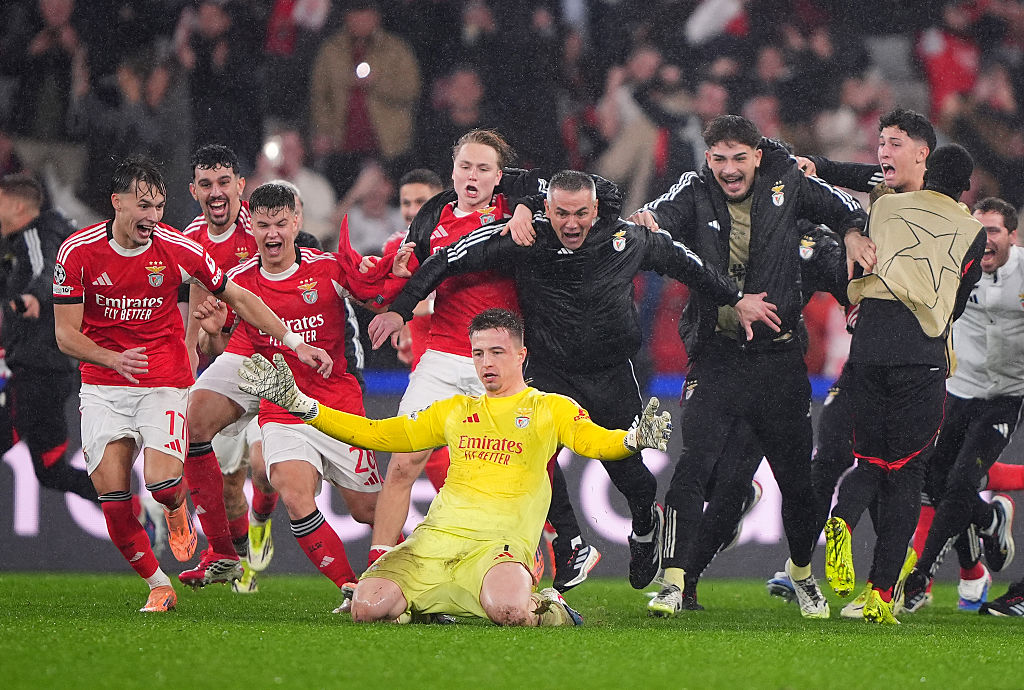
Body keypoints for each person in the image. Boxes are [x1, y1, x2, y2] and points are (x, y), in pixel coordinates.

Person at [369, 170, 780, 594]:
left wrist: (735, 299)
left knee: (630, 474)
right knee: (535, 456)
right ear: (547, 209)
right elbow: (448, 258)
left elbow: (686, 264)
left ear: (595, 209)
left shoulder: (626, 239)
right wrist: (400, 309)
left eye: (581, 213)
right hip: (548, 370)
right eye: (562, 213)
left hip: (610, 373)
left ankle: (644, 526)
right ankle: (569, 541)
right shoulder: (525, 236)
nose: (571, 223)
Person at [237, 308, 673, 625]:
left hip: (499, 546)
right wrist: (302, 405)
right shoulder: (454, 409)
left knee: (508, 611)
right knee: (365, 608)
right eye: (479, 353)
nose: (486, 363)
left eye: (497, 352)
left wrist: (631, 440)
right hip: (435, 543)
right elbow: (377, 434)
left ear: (522, 354)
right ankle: (427, 605)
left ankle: (550, 606)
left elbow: (592, 440)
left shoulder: (549, 408)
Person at [52, 156, 332, 612]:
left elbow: (239, 296)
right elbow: (65, 334)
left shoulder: (178, 247)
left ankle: (180, 512)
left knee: (163, 482)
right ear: (116, 202)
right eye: (143, 206)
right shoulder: (77, 251)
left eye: (159, 207)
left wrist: (293, 341)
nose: (153, 217)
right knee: (113, 495)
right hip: (103, 384)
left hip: (163, 379)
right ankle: (158, 584)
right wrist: (111, 358)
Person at [629, 114, 868, 618]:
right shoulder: (694, 189)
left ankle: (801, 574)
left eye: (740, 158)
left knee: (796, 481)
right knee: (693, 467)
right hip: (717, 355)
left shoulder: (792, 187)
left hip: (779, 359)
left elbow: (845, 205)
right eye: (720, 159)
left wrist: (850, 232)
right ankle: (674, 582)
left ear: (758, 157)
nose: (729, 169)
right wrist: (646, 221)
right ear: (708, 158)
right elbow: (654, 215)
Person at [762, 107, 939, 612]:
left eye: (895, 143)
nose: (883, 152)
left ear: (923, 154)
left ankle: (898, 575)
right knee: (838, 456)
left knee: (899, 470)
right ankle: (800, 568)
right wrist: (816, 169)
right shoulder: (881, 193)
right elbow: (848, 177)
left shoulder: (940, 211)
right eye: (881, 142)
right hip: (867, 357)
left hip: (919, 358)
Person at [192, 182, 379, 606]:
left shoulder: (330, 270)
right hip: (282, 407)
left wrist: (393, 304)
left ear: (296, 222)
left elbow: (375, 295)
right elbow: (220, 349)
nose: (272, 234)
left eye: (280, 223)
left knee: (369, 511)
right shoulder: (238, 282)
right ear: (251, 227)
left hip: (335, 402)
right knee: (292, 493)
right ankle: (351, 588)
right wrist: (209, 334)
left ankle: (411, 576)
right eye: (262, 225)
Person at [823, 144, 986, 625]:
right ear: (965, 187)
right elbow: (958, 298)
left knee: (869, 461)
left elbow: (852, 216)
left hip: (870, 342)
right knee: (907, 474)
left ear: (926, 170)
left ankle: (842, 519)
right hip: (921, 353)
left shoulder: (886, 204)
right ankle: (878, 594)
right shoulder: (972, 230)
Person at [899, 197, 1020, 613]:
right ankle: (990, 521)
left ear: (1012, 236)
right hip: (958, 390)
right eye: (978, 231)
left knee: (959, 483)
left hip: (1005, 396)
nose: (984, 242)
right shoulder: (951, 266)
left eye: (994, 232)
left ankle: (921, 576)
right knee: (932, 480)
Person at [178, 144, 260, 587]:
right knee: (229, 483)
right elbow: (194, 308)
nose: (216, 192)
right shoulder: (191, 238)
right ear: (193, 190)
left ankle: (263, 515)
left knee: (265, 474)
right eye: (206, 184)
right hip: (231, 362)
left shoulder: (260, 227)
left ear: (240, 186)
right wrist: (190, 359)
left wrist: (221, 328)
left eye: (224, 182)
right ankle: (233, 555)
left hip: (273, 360)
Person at [0, 174, 86, 500]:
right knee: (51, 471)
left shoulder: (35, 234)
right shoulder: (18, 249)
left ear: (19, 206)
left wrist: (34, 296)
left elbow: (47, 270)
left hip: (39, 371)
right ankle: (129, 505)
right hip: (45, 371)